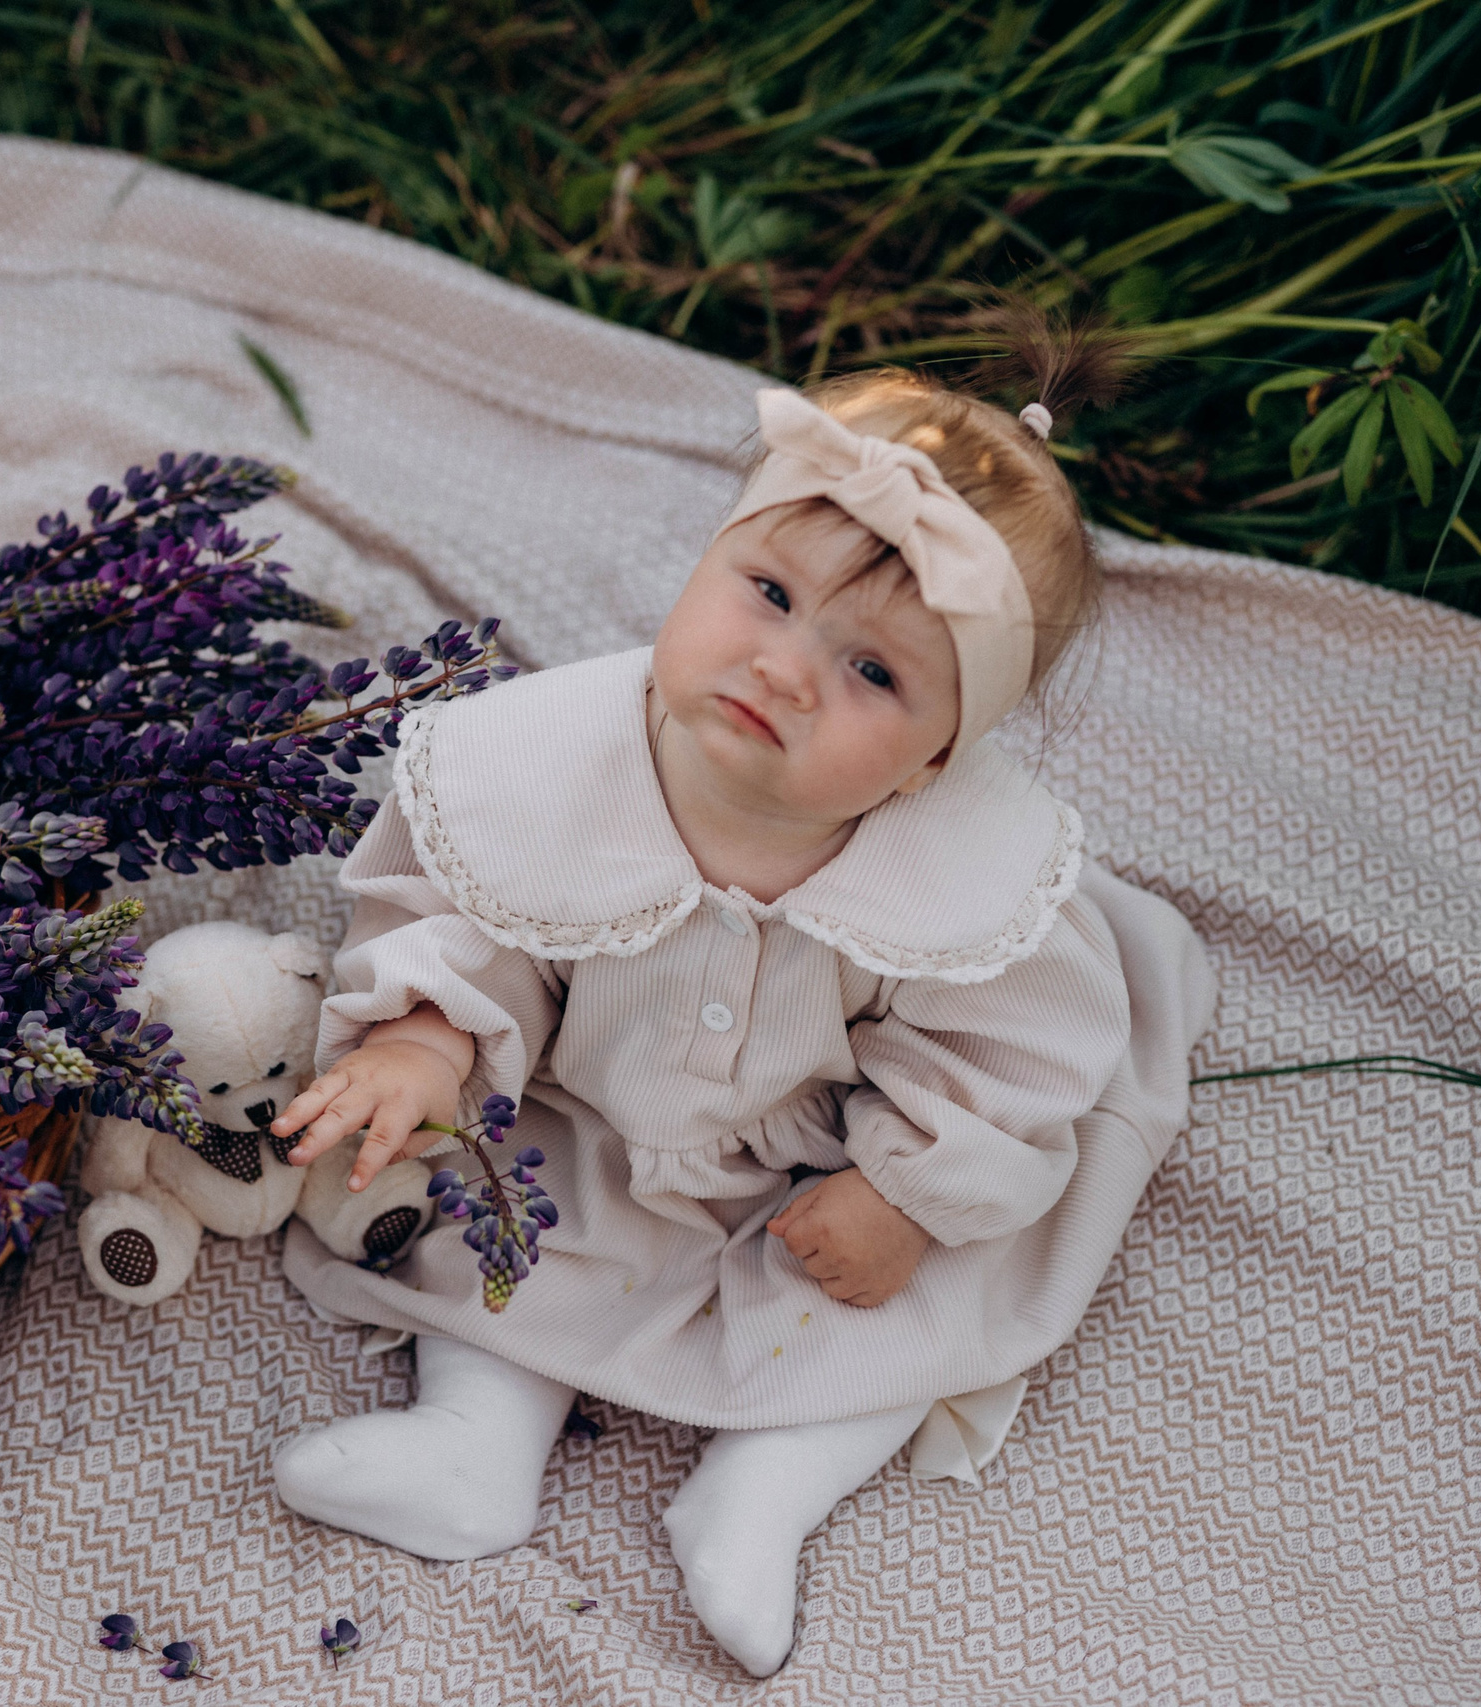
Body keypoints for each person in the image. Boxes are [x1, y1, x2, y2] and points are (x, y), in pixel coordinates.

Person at [268, 324, 1217, 1678]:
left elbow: (1011, 1057)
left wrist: (902, 1194)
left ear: (933, 760)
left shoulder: (968, 882)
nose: (784, 667)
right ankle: (477, 1443)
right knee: (490, 1220)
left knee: (938, 1287)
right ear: (708, 555)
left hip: (818, 1169)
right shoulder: (548, 768)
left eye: (874, 671)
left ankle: (765, 1492)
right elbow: (474, 919)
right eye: (766, 591)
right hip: (585, 1118)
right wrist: (427, 1039)